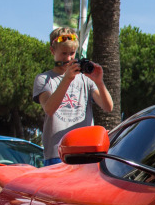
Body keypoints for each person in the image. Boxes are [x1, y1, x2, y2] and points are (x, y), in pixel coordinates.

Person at [33, 27, 114, 164]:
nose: (69, 58)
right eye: (63, 53)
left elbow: (108, 107)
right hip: (56, 153)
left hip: (86, 150)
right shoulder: (44, 79)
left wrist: (99, 82)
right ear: (52, 51)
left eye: (72, 53)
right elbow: (49, 108)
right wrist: (67, 79)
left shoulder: (85, 79)